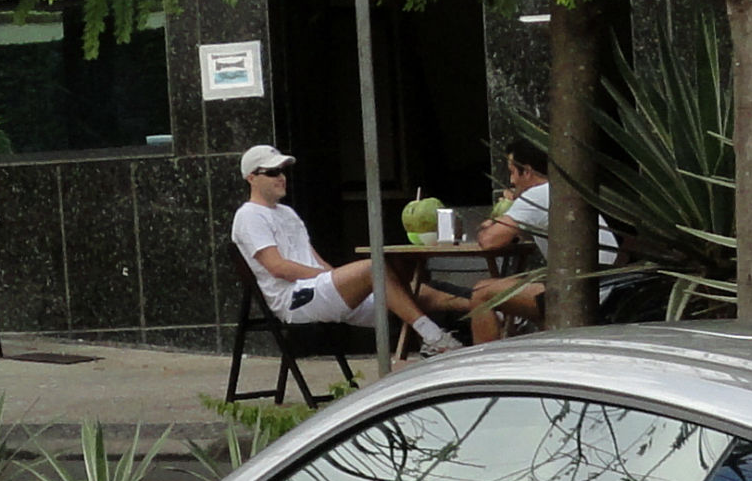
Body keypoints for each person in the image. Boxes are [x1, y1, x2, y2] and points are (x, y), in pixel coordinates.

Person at [229, 144, 462, 355]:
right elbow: (278, 267)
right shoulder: (249, 215)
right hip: (294, 299)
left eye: (282, 171)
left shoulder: (287, 213)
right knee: (373, 268)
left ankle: (484, 309)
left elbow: (313, 259)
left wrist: (337, 278)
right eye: (272, 172)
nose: (280, 178)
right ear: (251, 178)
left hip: (317, 289)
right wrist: (331, 277)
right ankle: (434, 336)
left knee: (408, 286)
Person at [465, 142, 622, 344]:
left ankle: (485, 367)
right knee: (521, 290)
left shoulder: (535, 196)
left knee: (482, 293)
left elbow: (490, 241)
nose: (511, 181)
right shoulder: (561, 189)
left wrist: (491, 222)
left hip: (583, 292)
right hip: (606, 286)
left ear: (527, 172)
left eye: (512, 172)